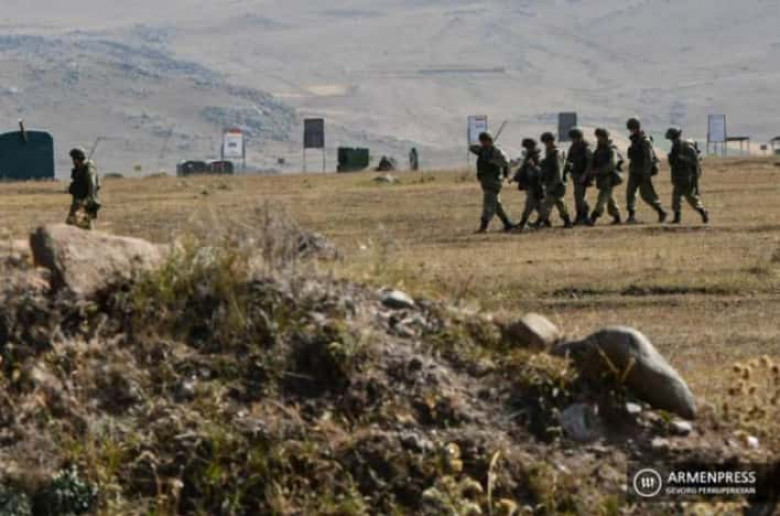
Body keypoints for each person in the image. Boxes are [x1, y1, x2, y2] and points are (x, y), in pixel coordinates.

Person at [469, 132, 514, 233]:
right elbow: (472, 148)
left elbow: (505, 162)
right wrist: (483, 149)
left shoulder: (496, 151)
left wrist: (492, 160)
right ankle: (508, 224)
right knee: (496, 205)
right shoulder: (483, 150)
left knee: (488, 204)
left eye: (485, 141)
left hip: (493, 180)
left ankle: (483, 227)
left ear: (490, 141)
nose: (483, 143)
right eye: (482, 141)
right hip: (485, 180)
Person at [626, 118, 668, 224]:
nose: (631, 131)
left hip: (643, 171)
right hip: (634, 170)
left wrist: (646, 172)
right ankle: (631, 216)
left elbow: (648, 158)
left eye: (632, 128)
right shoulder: (634, 140)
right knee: (630, 193)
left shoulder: (645, 140)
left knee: (647, 195)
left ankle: (661, 211)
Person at [666, 127, 710, 224]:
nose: (672, 141)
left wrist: (683, 159)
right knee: (680, 198)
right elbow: (674, 163)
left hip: (687, 177)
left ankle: (702, 212)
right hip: (679, 177)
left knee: (687, 197)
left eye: (672, 138)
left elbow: (695, 162)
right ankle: (678, 217)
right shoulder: (675, 147)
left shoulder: (686, 147)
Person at [587, 128, 623, 226]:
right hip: (602, 178)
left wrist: (598, 171)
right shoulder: (599, 150)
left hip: (609, 178)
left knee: (602, 198)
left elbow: (612, 164)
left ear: (604, 137)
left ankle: (594, 217)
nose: (598, 139)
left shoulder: (611, 150)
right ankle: (617, 217)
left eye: (599, 137)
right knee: (610, 198)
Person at [538, 132, 573, 228]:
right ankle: (567, 221)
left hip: (556, 182)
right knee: (559, 202)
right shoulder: (550, 152)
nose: (545, 144)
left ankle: (540, 221)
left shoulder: (556, 153)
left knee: (547, 202)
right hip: (553, 181)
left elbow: (559, 170)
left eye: (546, 142)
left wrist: (555, 183)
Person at [512, 138, 546, 232]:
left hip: (535, 184)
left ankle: (522, 223)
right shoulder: (530, 156)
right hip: (531, 184)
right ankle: (545, 221)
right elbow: (523, 169)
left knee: (529, 205)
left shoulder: (535, 157)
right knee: (537, 205)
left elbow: (539, 171)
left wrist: (532, 166)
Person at [66, 147, 101, 230]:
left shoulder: (88, 169)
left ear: (77, 159)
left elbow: (92, 184)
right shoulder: (80, 168)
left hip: (85, 201)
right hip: (78, 200)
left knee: (84, 223)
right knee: (73, 222)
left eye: (73, 159)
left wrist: (90, 199)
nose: (73, 161)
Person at [565, 126, 593, 225]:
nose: (573, 140)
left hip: (583, 175)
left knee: (580, 196)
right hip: (576, 174)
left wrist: (585, 175)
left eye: (575, 138)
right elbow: (569, 159)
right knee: (578, 196)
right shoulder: (573, 146)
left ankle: (583, 216)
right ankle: (581, 216)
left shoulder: (586, 147)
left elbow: (590, 163)